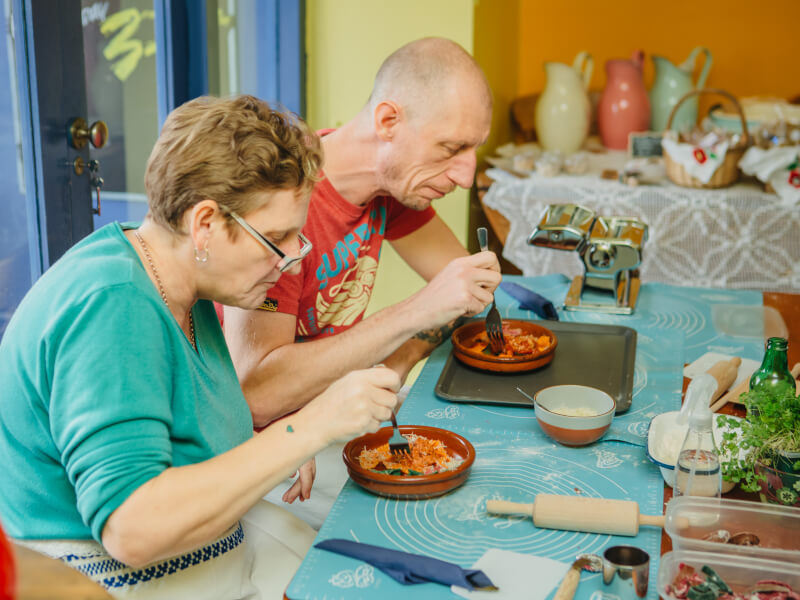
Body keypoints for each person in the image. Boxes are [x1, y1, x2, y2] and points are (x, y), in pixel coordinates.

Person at [0, 95, 400, 599]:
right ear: (205, 224)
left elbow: (178, 417)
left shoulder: (180, 280)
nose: (295, 260)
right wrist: (308, 426)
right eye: (279, 237)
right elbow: (133, 529)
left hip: (214, 555)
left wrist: (266, 441)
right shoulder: (113, 305)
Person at [221, 37, 499, 528]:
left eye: (473, 149)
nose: (466, 174)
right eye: (452, 148)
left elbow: (464, 285)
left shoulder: (389, 187)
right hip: (265, 453)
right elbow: (257, 391)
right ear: (388, 122)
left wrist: (399, 359)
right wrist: (416, 313)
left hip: (332, 417)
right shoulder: (285, 206)